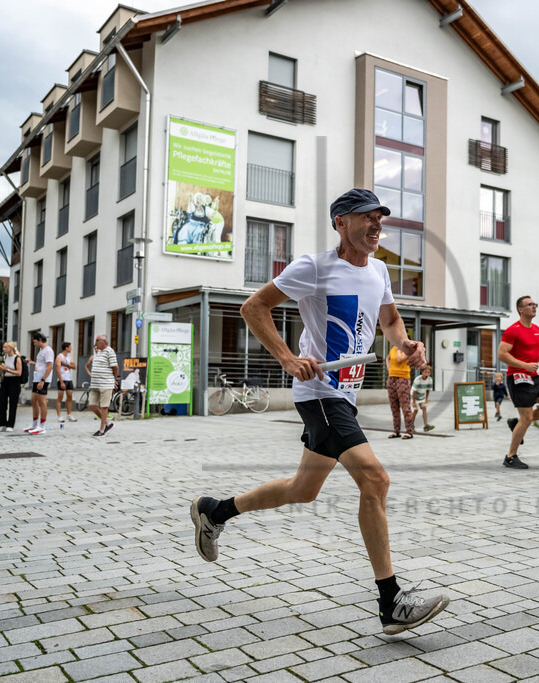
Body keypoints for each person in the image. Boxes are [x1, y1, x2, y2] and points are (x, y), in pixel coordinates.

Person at [189, 188, 449, 635]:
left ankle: (215, 511)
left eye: (379, 219)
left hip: (344, 395)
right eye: (365, 218)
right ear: (340, 223)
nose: (376, 225)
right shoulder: (314, 266)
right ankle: (391, 602)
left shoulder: (381, 270)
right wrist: (288, 358)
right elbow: (254, 308)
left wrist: (405, 343)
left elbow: (388, 320)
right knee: (376, 479)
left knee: (303, 489)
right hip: (320, 392)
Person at [499, 296, 539, 469]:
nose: (534, 307)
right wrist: (523, 365)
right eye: (530, 305)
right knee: (527, 418)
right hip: (518, 378)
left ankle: (516, 423)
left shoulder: (536, 329)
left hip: (534, 377)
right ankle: (510, 456)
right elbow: (502, 355)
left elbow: (536, 352)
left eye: (535, 304)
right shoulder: (512, 330)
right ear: (520, 309)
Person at [84, 335, 119, 437]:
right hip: (95, 384)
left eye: (97, 341)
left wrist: (114, 379)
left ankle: (102, 430)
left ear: (103, 342)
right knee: (92, 405)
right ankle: (107, 423)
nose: (95, 343)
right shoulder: (97, 352)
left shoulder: (109, 351)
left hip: (105, 384)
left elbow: (115, 367)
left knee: (104, 407)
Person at [25, 332, 54, 434]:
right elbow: (42, 364)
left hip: (42, 379)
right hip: (36, 378)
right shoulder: (41, 351)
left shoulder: (48, 351)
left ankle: (42, 426)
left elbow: (50, 366)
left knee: (42, 402)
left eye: (35, 341)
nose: (34, 344)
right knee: (33, 401)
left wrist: (43, 380)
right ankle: (35, 424)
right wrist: (32, 362)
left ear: (40, 340)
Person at [385, 346, 415, 439]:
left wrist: (399, 348)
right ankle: (396, 431)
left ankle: (409, 431)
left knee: (405, 406)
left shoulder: (407, 350)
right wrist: (390, 370)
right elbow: (388, 358)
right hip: (392, 379)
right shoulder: (393, 349)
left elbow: (399, 359)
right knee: (394, 407)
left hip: (403, 379)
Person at [0, 342, 22, 432]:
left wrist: (7, 369)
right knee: (2, 401)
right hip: (5, 380)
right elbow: (0, 372)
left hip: (14, 381)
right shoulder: (4, 358)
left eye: (5, 347)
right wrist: (0, 368)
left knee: (13, 403)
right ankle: (1, 423)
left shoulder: (17, 358)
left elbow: (19, 372)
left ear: (11, 348)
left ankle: (10, 424)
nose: (3, 348)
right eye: (3, 347)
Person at [55, 341, 78, 424]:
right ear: (66, 348)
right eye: (70, 347)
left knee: (69, 397)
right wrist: (61, 382)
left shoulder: (69, 357)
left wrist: (65, 364)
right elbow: (58, 370)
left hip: (69, 379)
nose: (71, 348)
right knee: (60, 398)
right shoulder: (59, 357)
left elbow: (74, 367)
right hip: (62, 379)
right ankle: (59, 416)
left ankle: (69, 415)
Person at [410, 364, 435, 432]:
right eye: (425, 372)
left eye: (428, 372)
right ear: (422, 372)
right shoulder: (418, 379)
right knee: (416, 410)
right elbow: (414, 391)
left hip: (422, 397)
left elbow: (428, 390)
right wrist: (413, 402)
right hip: (414, 396)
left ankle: (426, 425)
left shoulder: (430, 379)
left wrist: (426, 399)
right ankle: (411, 425)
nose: (427, 374)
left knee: (424, 408)